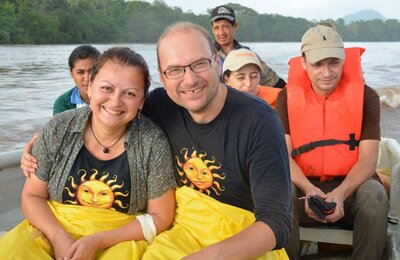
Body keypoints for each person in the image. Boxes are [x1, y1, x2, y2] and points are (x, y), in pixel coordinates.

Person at [21, 22, 291, 259]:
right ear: (162, 77)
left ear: (218, 62)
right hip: (181, 232)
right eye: (175, 70)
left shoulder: (260, 121)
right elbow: (110, 114)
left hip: (242, 242)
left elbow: (276, 223)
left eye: (199, 63)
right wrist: (40, 145)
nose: (189, 79)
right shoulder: (160, 105)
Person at [2, 47, 176, 259]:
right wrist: (58, 237)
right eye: (107, 88)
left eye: (130, 93)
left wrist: (97, 241)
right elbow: (32, 195)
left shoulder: (152, 142)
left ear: (141, 102)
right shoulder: (59, 128)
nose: (115, 101)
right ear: (90, 87)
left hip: (118, 239)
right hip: (53, 229)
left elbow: (160, 216)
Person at [274, 23, 389, 259]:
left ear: (344, 60)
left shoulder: (367, 97)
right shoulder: (286, 98)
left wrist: (340, 194)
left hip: (352, 187)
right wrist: (309, 189)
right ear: (304, 62)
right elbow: (282, 157)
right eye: (318, 64)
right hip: (304, 187)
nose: (327, 73)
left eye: (334, 62)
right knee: (278, 190)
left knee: (376, 196)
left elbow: (368, 159)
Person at [210, 5, 286, 88]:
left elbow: (273, 82)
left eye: (225, 27)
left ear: (235, 26)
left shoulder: (248, 54)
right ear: (212, 29)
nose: (221, 32)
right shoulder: (207, 54)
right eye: (217, 28)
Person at [53, 44, 101, 115]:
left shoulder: (113, 97)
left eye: (93, 71)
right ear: (71, 73)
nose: (87, 78)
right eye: (80, 72)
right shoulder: (63, 103)